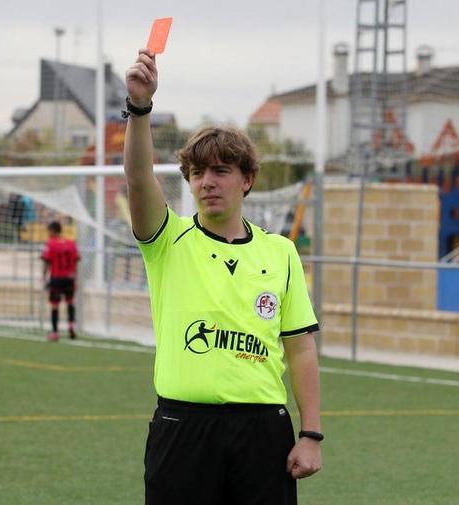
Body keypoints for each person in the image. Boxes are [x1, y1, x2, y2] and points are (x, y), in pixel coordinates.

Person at [124, 48, 323, 505]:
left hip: (263, 431)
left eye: (220, 170)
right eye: (196, 173)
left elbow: (300, 347)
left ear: (247, 179)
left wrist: (311, 432)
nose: (206, 182)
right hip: (183, 429)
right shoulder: (166, 239)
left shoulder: (281, 252)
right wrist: (139, 108)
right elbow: (137, 179)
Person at [41, 221, 79, 341]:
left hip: (56, 278)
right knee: (70, 302)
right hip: (69, 278)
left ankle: (55, 331)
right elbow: (75, 261)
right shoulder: (71, 243)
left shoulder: (51, 244)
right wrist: (75, 278)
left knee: (55, 306)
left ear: (53, 230)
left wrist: (43, 276)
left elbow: (46, 261)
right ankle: (71, 327)